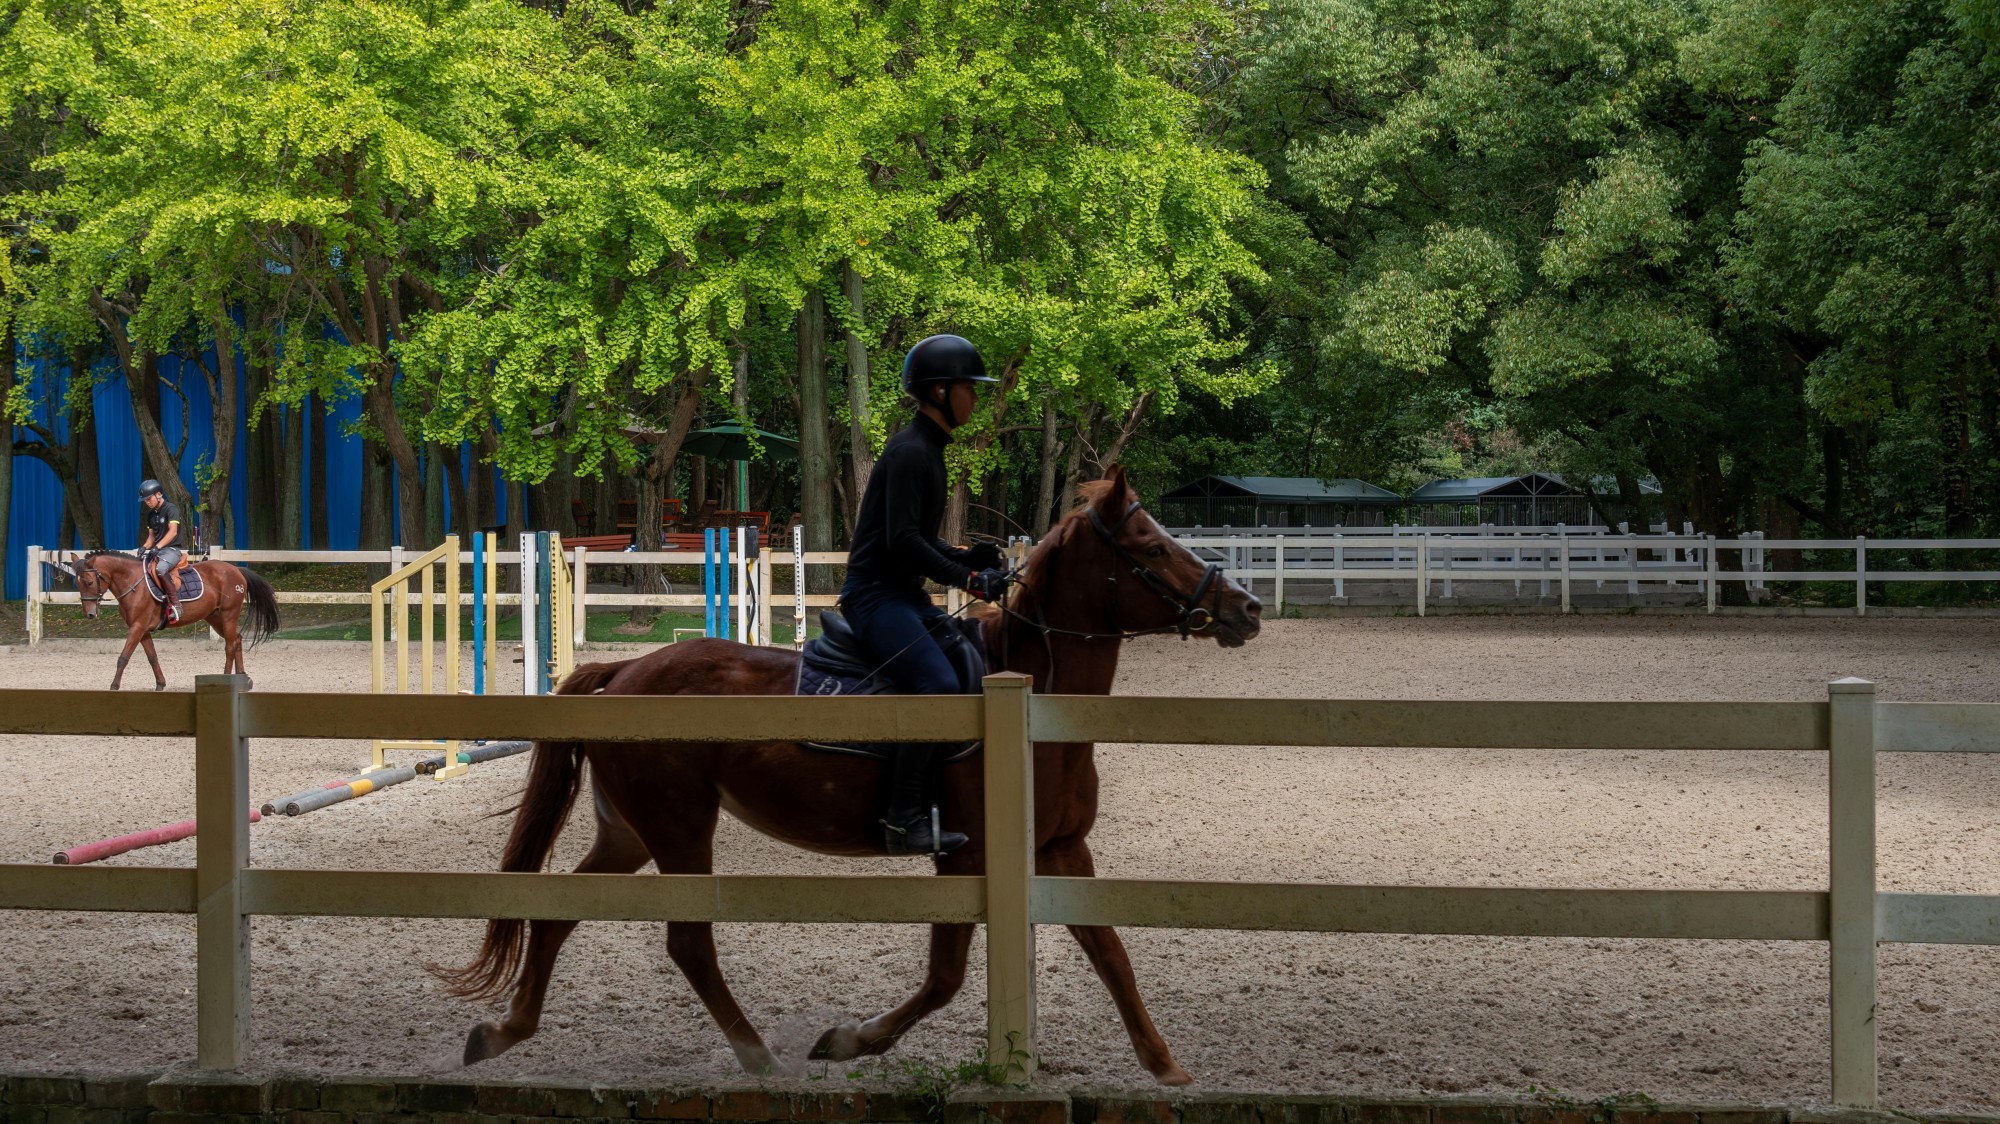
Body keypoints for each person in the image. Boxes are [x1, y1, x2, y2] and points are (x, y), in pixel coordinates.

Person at [842, 334, 1011, 855]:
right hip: (875, 597)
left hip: (902, 595)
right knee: (938, 683)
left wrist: (966, 557)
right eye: (969, 389)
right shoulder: (914, 451)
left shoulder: (926, 448)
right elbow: (901, 542)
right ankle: (902, 819)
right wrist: (968, 581)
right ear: (939, 391)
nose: (975, 399)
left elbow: (916, 536)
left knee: (968, 658)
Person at [138, 479, 184, 627]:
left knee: (160, 569)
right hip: (157, 550)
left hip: (172, 550)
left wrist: (157, 547)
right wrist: (144, 547)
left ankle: (176, 604)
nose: (147, 502)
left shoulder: (171, 509)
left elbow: (173, 532)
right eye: (145, 500)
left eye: (149, 498)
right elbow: (151, 537)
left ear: (159, 494)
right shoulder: (150, 515)